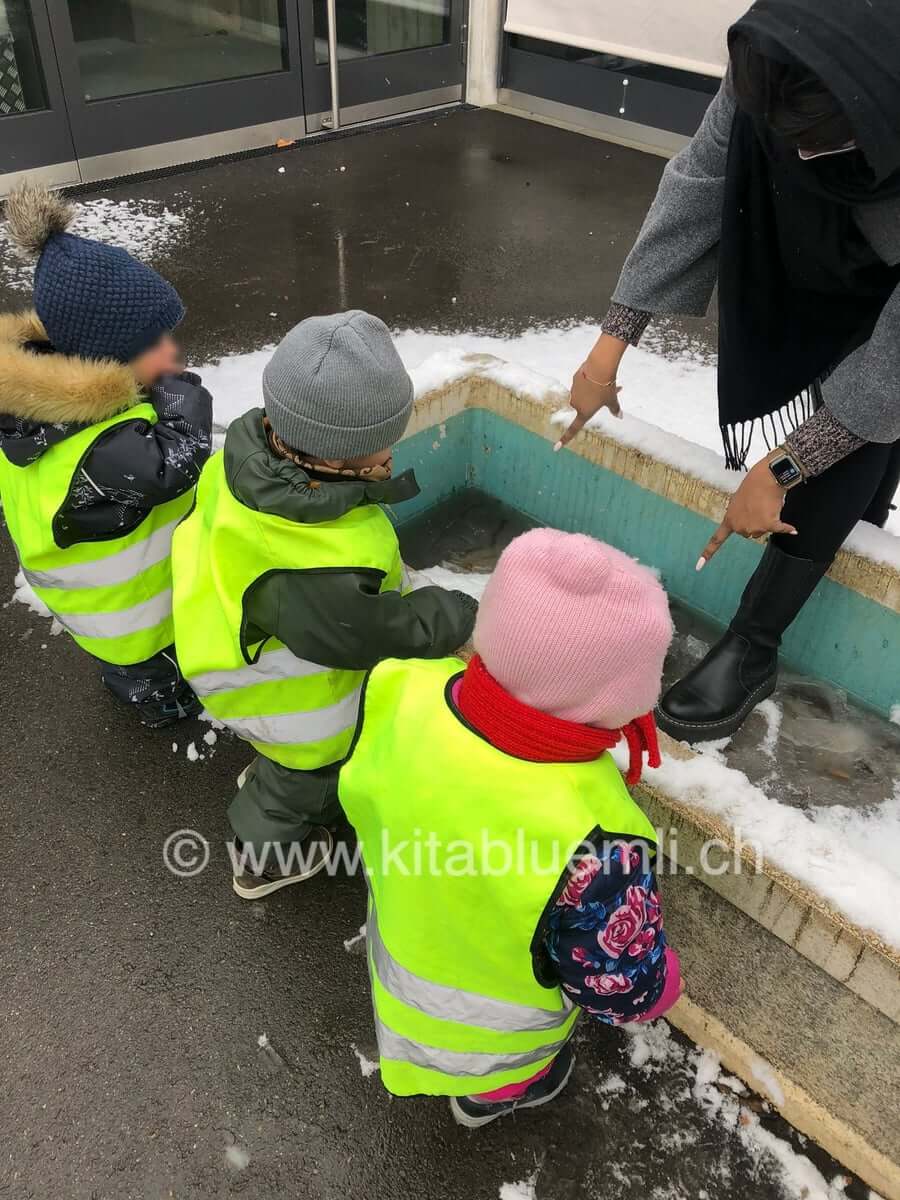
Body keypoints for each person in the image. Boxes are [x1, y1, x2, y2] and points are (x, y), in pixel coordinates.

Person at [557, 0, 900, 744]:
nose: (785, 152)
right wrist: (608, 349)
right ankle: (849, 519)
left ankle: (756, 640)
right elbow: (698, 185)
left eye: (808, 141)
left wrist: (780, 468)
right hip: (816, 258)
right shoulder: (775, 61)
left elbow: (892, 367)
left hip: (886, 286)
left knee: (863, 419)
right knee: (849, 429)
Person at [338, 529, 682, 1126]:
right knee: (506, 1064)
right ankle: (496, 1092)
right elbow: (619, 985)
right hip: (497, 1036)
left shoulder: (405, 688)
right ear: (617, 699)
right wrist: (662, 982)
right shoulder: (597, 843)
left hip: (401, 965)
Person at [171, 310, 478, 899]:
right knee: (307, 776)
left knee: (284, 762)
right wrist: (456, 614)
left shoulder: (246, 463)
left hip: (226, 635)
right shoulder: (313, 564)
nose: (394, 448)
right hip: (281, 697)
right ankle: (261, 853)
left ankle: (273, 771)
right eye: (386, 441)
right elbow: (371, 631)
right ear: (342, 459)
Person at [0, 182, 212, 727]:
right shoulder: (104, 449)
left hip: (82, 592)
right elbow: (176, 460)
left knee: (127, 654)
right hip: (126, 615)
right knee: (151, 669)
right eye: (155, 344)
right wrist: (181, 394)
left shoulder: (40, 408)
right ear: (105, 360)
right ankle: (156, 700)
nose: (173, 350)